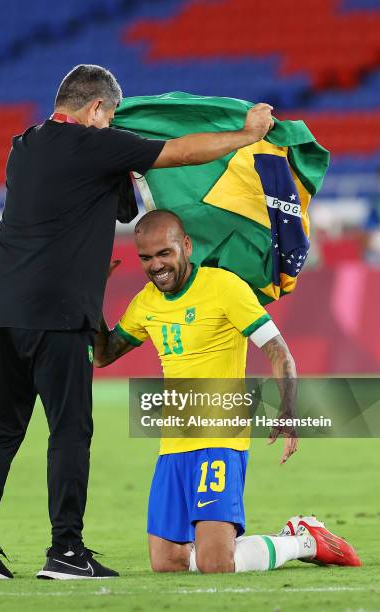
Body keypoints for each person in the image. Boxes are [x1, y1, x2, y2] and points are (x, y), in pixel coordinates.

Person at [0, 64, 276, 581]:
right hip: (58, 314)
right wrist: (248, 133)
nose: (114, 124)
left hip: (2, 308)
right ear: (97, 108)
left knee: (2, 425)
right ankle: (66, 551)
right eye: (113, 115)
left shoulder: (24, 145)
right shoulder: (95, 145)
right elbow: (180, 152)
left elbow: (92, 205)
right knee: (70, 431)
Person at [94, 210, 361, 573]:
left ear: (185, 245)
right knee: (167, 562)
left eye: (164, 253)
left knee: (216, 564)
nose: (156, 265)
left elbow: (278, 349)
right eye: (146, 257)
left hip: (220, 437)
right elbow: (105, 354)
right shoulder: (146, 303)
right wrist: (91, 296)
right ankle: (272, 542)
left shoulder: (223, 287)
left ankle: (303, 540)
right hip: (173, 444)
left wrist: (288, 410)